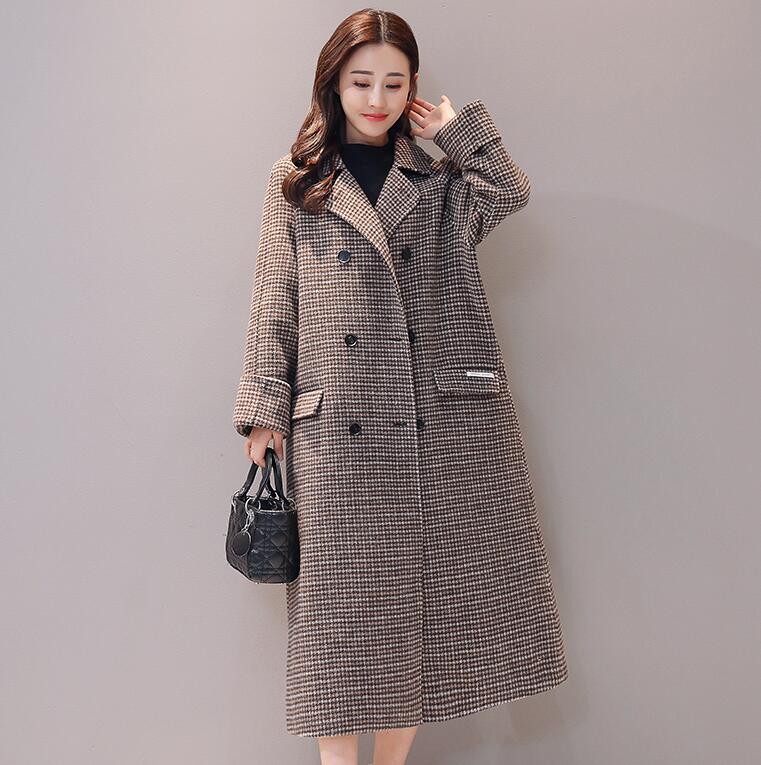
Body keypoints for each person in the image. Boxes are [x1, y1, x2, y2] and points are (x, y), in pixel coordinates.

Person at [233, 9, 568, 765]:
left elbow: (508, 192)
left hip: (435, 422)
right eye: (361, 82)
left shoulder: (440, 180)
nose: (377, 99)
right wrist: (263, 411)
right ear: (333, 84)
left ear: (414, 87)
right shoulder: (295, 181)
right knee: (337, 625)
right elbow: (273, 299)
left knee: (423, 616)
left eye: (394, 82)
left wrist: (457, 131)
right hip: (338, 427)